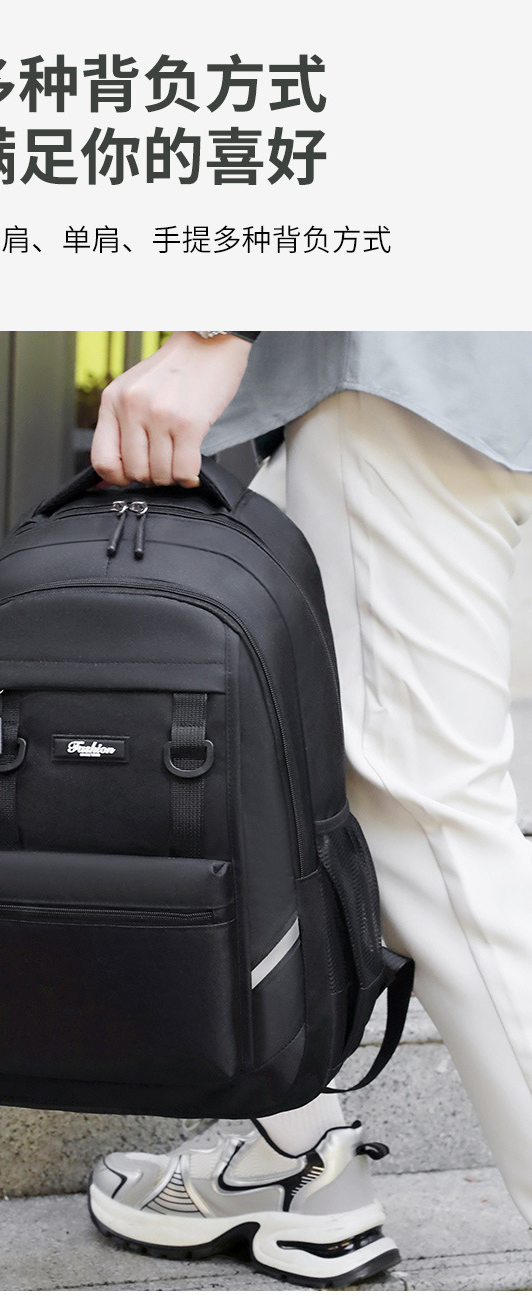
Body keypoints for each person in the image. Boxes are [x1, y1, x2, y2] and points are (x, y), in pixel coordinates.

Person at [85, 330, 532, 1287]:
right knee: (257, 754)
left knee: (429, 828)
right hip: (476, 388)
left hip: (416, 377)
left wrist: (215, 331)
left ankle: (295, 1155)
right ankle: (294, 1153)